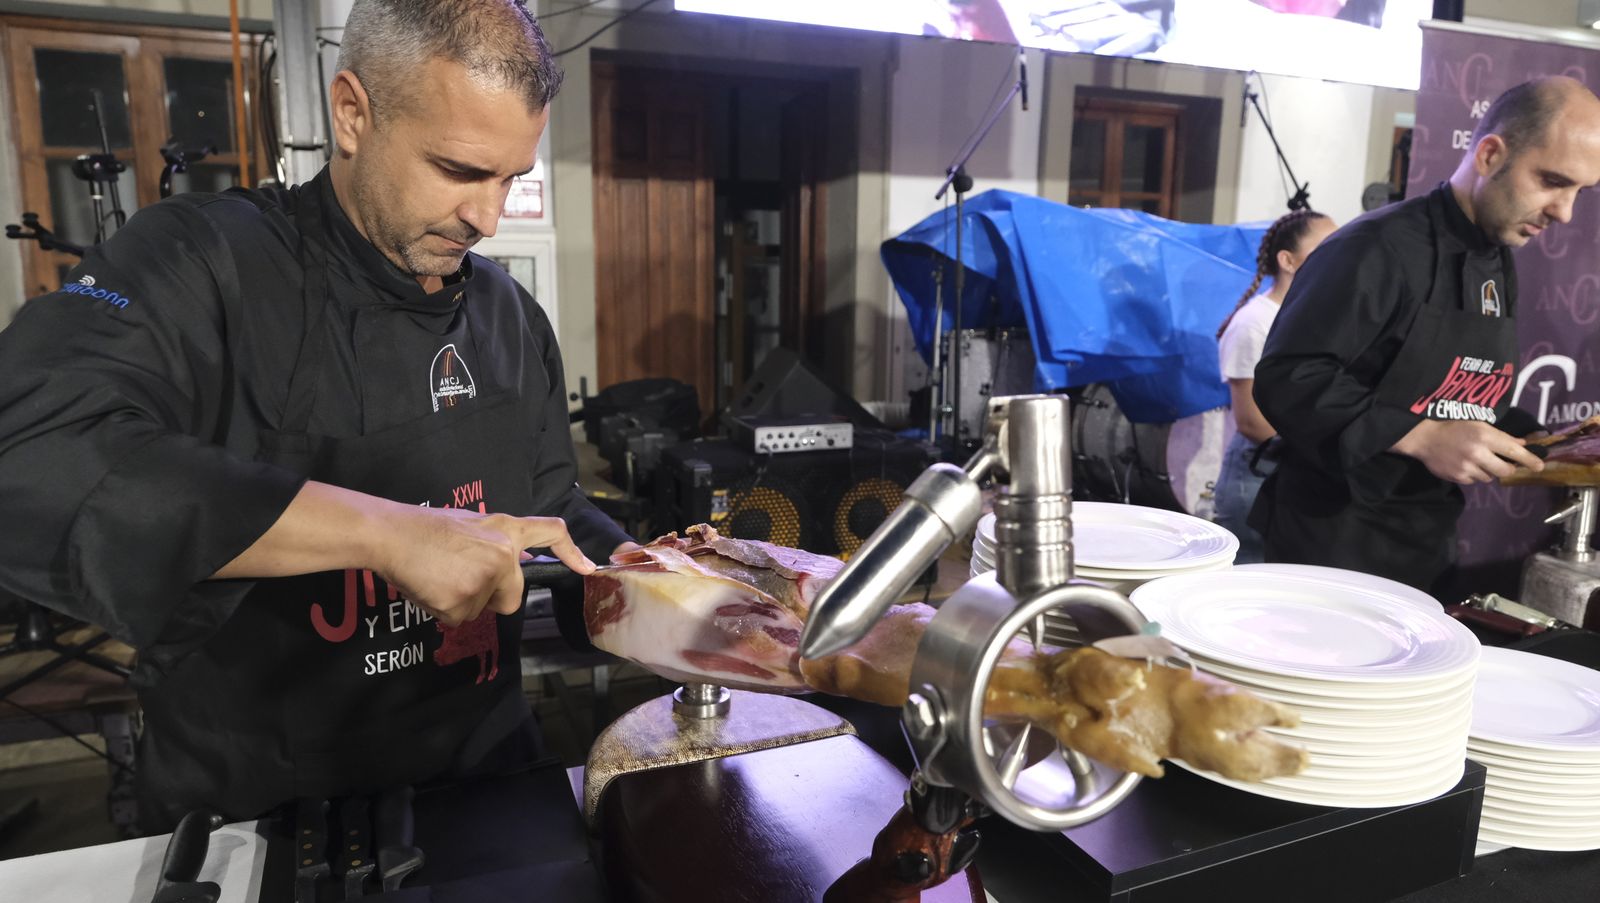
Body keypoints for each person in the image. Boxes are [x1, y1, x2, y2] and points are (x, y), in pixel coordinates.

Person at [0, 0, 633, 832]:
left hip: (485, 776)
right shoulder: (203, 263)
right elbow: (32, 446)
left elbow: (550, 509)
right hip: (269, 807)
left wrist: (654, 585)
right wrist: (388, 532)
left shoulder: (509, 316)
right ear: (352, 113)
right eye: (458, 170)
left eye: (510, 178)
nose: (488, 217)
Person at [1250, 76, 1600, 592]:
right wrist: (1423, 437)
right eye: (1551, 181)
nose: (1564, 212)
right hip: (1330, 543)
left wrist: (1546, 441)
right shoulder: (1374, 247)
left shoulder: (1496, 257)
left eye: (1578, 193)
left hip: (1426, 544)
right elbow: (1288, 377)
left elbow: (1456, 394)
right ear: (1490, 155)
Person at [1212, 209, 1336, 563]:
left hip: (1295, 469)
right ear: (1287, 260)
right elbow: (1251, 422)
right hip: (1259, 474)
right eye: (1325, 247)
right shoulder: (1254, 323)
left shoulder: (1312, 315)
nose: (1337, 255)